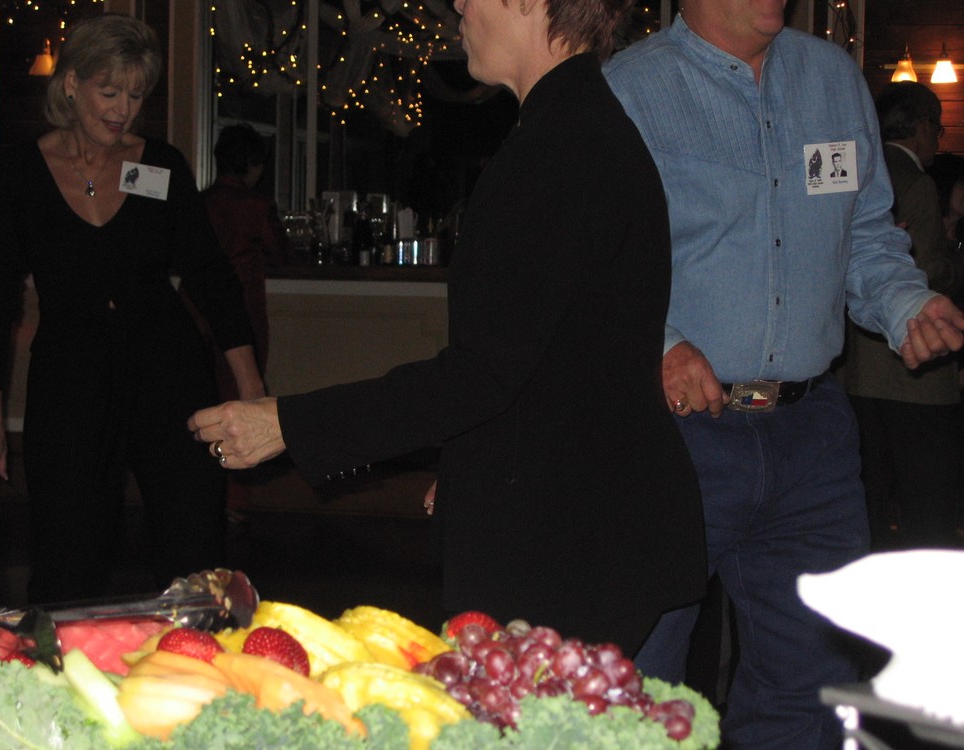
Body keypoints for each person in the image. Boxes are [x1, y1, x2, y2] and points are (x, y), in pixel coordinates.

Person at [188, 0, 708, 656]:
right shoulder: (574, 128)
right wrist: (472, 467)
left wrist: (289, 424)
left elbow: (484, 372)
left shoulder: (561, 147)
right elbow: (558, 360)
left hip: (575, 547)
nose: (458, 4)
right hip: (587, 525)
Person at [603, 2, 964, 748]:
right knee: (639, 687)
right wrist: (658, 344)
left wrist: (906, 304)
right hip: (674, 436)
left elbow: (866, 236)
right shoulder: (629, 89)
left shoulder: (833, 79)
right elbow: (591, 260)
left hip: (812, 439)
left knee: (809, 687)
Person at [0, 14, 265, 604]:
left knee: (194, 563)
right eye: (110, 92)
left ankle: (196, 660)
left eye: (135, 95)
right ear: (71, 83)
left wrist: (251, 386)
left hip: (167, 374)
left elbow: (209, 276)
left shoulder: (156, 167)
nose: (124, 110)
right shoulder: (20, 173)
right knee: (66, 565)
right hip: (69, 382)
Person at [838, 82, 964, 550]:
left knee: (867, 501)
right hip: (915, 373)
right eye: (938, 129)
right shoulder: (916, 182)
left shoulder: (860, 170)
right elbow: (927, 271)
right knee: (926, 509)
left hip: (855, 375)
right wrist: (952, 254)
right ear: (922, 127)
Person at [181, 123, 288, 519]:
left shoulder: (199, 202)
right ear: (254, 164)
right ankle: (233, 501)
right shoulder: (256, 206)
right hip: (241, 311)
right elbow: (282, 255)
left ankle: (198, 497)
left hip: (193, 307)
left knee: (197, 399)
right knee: (240, 403)